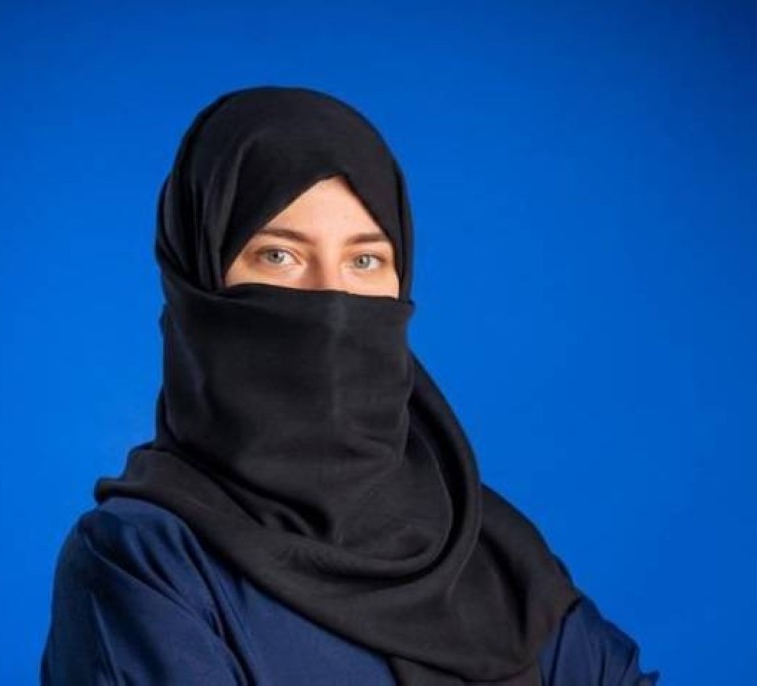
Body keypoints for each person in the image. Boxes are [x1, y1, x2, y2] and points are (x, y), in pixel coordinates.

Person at [41, 85, 659, 685]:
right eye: (278, 255)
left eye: (365, 260)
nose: (331, 298)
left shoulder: (485, 547)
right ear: (197, 281)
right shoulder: (145, 562)